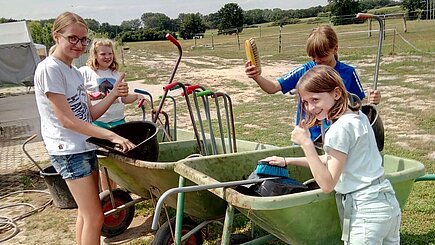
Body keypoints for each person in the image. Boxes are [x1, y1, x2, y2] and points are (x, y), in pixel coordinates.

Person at [262, 65, 401, 244]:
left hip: (365, 212)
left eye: (315, 99)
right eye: (305, 102)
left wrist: (306, 144)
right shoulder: (358, 117)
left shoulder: (338, 129)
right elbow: (334, 160)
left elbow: (327, 184)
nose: (310, 107)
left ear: (336, 93)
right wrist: (287, 161)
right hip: (387, 203)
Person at [34, 12, 135, 245]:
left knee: (85, 213)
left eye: (83, 40)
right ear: (56, 36)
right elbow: (66, 121)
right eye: (72, 38)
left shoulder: (74, 72)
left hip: (83, 144)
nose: (79, 45)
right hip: (68, 149)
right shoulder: (51, 69)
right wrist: (111, 135)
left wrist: (113, 94)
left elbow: (89, 115)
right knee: (95, 216)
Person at [245, 24, 381, 142]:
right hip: (307, 137)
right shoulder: (305, 70)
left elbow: (358, 103)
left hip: (338, 137)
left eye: (321, 55)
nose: (317, 60)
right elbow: (273, 88)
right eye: (313, 56)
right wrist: (257, 77)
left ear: (335, 49)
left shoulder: (348, 72)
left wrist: (371, 100)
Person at [80, 38, 146, 191]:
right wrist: (90, 95)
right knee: (104, 162)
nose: (107, 57)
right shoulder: (85, 72)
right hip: (99, 123)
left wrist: (136, 96)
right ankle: (108, 194)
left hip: (118, 122)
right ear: (94, 55)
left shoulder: (115, 74)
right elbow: (79, 94)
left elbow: (123, 98)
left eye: (110, 53)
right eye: (103, 53)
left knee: (118, 161)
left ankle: (116, 192)